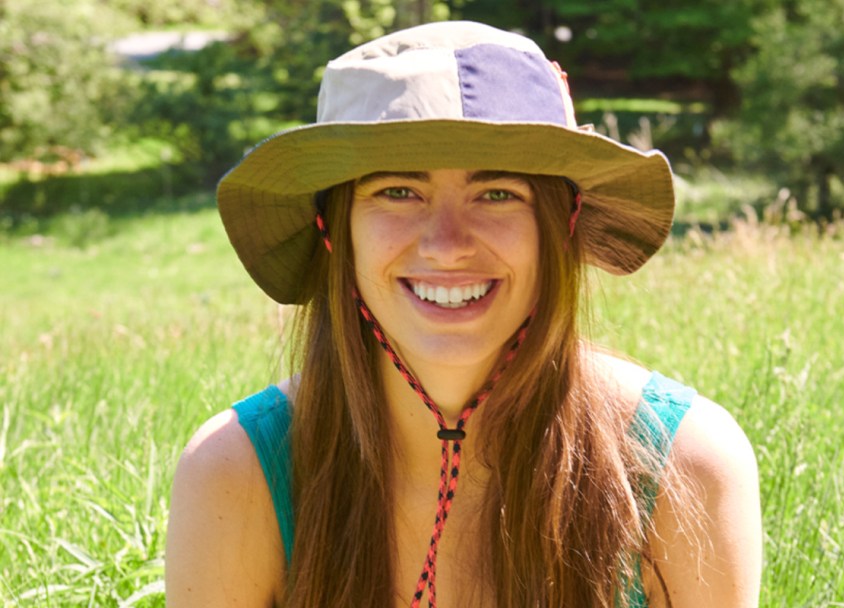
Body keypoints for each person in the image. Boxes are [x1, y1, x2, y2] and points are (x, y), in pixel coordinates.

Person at [165, 20, 762, 608]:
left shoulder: (682, 466)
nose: (447, 244)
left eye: (497, 193)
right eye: (398, 191)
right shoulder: (236, 475)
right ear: (333, 228)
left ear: (561, 226)